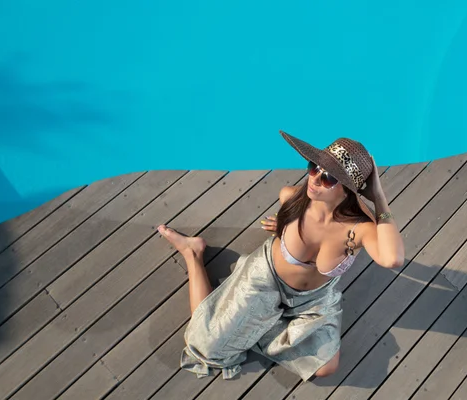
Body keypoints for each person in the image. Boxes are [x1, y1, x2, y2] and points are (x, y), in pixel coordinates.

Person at [157, 130, 405, 381]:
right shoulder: (292, 199)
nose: (315, 179)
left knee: (325, 368)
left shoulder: (359, 229)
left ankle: (252, 323)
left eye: (329, 178)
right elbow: (292, 210)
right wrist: (286, 230)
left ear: (348, 190)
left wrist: (379, 198)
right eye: (313, 167)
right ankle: (193, 254)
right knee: (206, 345)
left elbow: (392, 259)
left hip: (314, 300)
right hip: (267, 278)